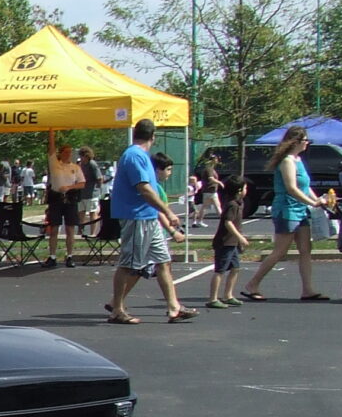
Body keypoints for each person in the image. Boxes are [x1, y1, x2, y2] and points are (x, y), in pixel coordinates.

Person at [105, 119, 192, 324]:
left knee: (163, 260)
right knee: (129, 264)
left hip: (149, 217)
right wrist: (168, 212)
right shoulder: (134, 156)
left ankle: (174, 307)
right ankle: (117, 309)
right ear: (153, 137)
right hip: (137, 217)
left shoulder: (141, 156)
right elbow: (144, 189)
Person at [239, 125, 329, 302]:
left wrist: (318, 201)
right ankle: (252, 284)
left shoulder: (298, 160)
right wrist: (312, 203)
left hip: (301, 210)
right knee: (280, 251)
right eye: (305, 140)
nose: (307, 144)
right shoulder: (287, 161)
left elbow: (305, 186)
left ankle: (308, 289)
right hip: (287, 209)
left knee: (306, 250)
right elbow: (291, 188)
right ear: (295, 141)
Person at [206, 177, 249, 308]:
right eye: (245, 188)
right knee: (220, 270)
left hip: (233, 243)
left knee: (235, 268)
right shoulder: (232, 205)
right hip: (225, 243)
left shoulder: (238, 203)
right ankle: (213, 299)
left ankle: (228, 295)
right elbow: (228, 223)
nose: (247, 190)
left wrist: (238, 240)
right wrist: (240, 237)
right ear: (239, 190)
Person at [43, 142, 85, 267]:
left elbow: (82, 183)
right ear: (60, 153)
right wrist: (51, 132)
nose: (68, 155)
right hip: (56, 198)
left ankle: (70, 255)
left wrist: (69, 187)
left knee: (70, 229)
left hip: (70, 199)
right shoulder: (55, 164)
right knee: (54, 228)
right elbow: (51, 150)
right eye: (65, 152)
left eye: (70, 152)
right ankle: (52, 256)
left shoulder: (76, 167)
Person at [77, 146, 101, 226]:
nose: (81, 158)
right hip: (82, 193)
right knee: (81, 213)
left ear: (86, 155)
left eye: (82, 156)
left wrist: (98, 188)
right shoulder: (81, 165)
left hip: (92, 193)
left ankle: (93, 233)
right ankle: (80, 231)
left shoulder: (92, 164)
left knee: (92, 213)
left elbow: (99, 178)